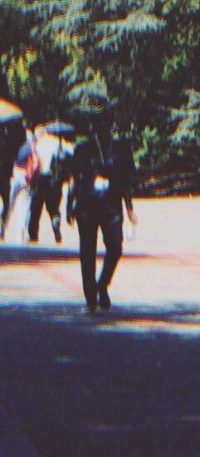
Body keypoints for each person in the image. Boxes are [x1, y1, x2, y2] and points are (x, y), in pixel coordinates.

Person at [67, 122, 137, 314]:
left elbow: (127, 181)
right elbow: (74, 178)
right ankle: (90, 298)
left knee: (115, 247)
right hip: (86, 206)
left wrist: (129, 208)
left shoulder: (122, 149)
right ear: (93, 129)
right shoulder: (83, 149)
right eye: (99, 127)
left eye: (106, 127)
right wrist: (69, 204)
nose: (103, 131)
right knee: (87, 251)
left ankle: (102, 284)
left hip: (112, 205)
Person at [27, 123, 73, 244]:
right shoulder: (59, 142)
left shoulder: (37, 144)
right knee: (54, 208)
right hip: (55, 179)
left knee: (36, 208)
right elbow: (71, 152)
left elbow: (32, 162)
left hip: (40, 179)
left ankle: (33, 234)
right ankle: (56, 230)